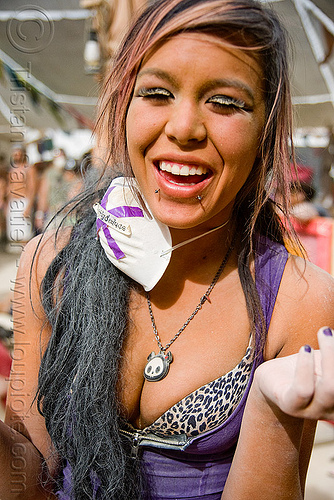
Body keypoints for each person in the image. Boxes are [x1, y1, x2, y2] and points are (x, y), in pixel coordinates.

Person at [1, 0, 334, 499]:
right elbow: (30, 481)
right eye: (156, 93)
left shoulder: (298, 300)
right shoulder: (51, 264)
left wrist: (268, 407)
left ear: (266, 130)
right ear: (123, 108)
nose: (183, 128)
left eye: (225, 103)